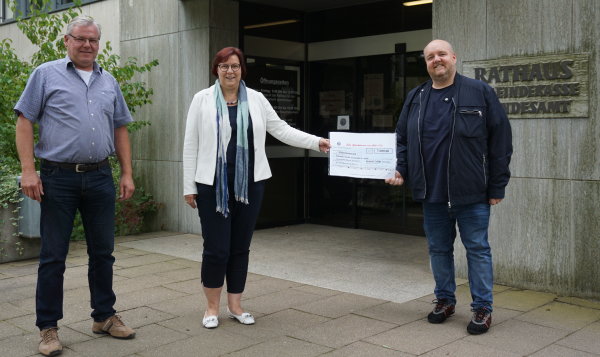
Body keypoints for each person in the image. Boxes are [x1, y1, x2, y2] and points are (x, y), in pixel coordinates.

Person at [183, 47, 330, 329]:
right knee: (216, 249)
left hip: (250, 185)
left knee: (240, 247)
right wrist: (188, 185)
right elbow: (191, 144)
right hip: (212, 186)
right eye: (224, 66)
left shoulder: (257, 100)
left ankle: (235, 305)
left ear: (242, 70)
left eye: (235, 66)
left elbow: (282, 130)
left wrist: (315, 142)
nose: (230, 71)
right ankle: (211, 307)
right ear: (216, 70)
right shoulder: (201, 100)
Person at [15, 15, 136, 356]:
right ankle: (49, 329)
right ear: (66, 41)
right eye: (80, 39)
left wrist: (126, 173)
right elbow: (24, 121)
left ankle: (104, 316)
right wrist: (28, 170)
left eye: (93, 40)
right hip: (58, 178)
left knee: (103, 253)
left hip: (100, 176)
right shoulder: (45, 74)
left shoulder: (109, 81)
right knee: (53, 257)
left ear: (98, 43)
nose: (87, 45)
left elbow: (121, 128)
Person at [386, 39, 512, 335]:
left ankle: (483, 307)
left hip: (472, 192)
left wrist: (497, 185)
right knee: (438, 250)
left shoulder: (480, 92)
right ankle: (445, 300)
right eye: (430, 56)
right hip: (432, 193)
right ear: (426, 63)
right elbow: (401, 138)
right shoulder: (416, 96)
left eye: (441, 54)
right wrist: (400, 169)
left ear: (454, 57)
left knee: (477, 250)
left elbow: (501, 141)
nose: (436, 60)